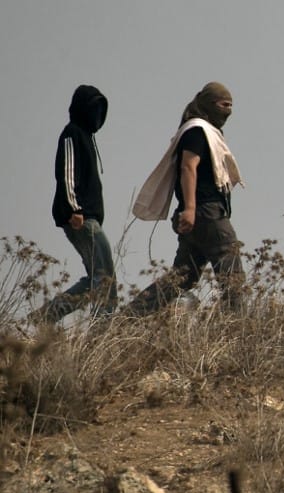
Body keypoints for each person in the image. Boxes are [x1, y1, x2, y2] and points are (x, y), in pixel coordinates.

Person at [126, 82, 244, 315]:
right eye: (223, 105)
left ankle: (127, 318)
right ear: (209, 104)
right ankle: (240, 332)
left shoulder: (202, 130)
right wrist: (190, 208)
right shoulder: (197, 130)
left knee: (182, 278)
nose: (228, 111)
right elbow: (188, 167)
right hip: (206, 213)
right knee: (233, 276)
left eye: (231, 106)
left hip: (200, 215)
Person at [31, 85, 117, 324]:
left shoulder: (87, 137)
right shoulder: (72, 133)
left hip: (89, 218)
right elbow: (66, 173)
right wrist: (74, 209)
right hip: (81, 218)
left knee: (96, 279)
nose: (97, 114)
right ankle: (103, 331)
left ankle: (48, 315)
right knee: (105, 277)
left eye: (101, 109)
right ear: (82, 109)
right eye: (94, 108)